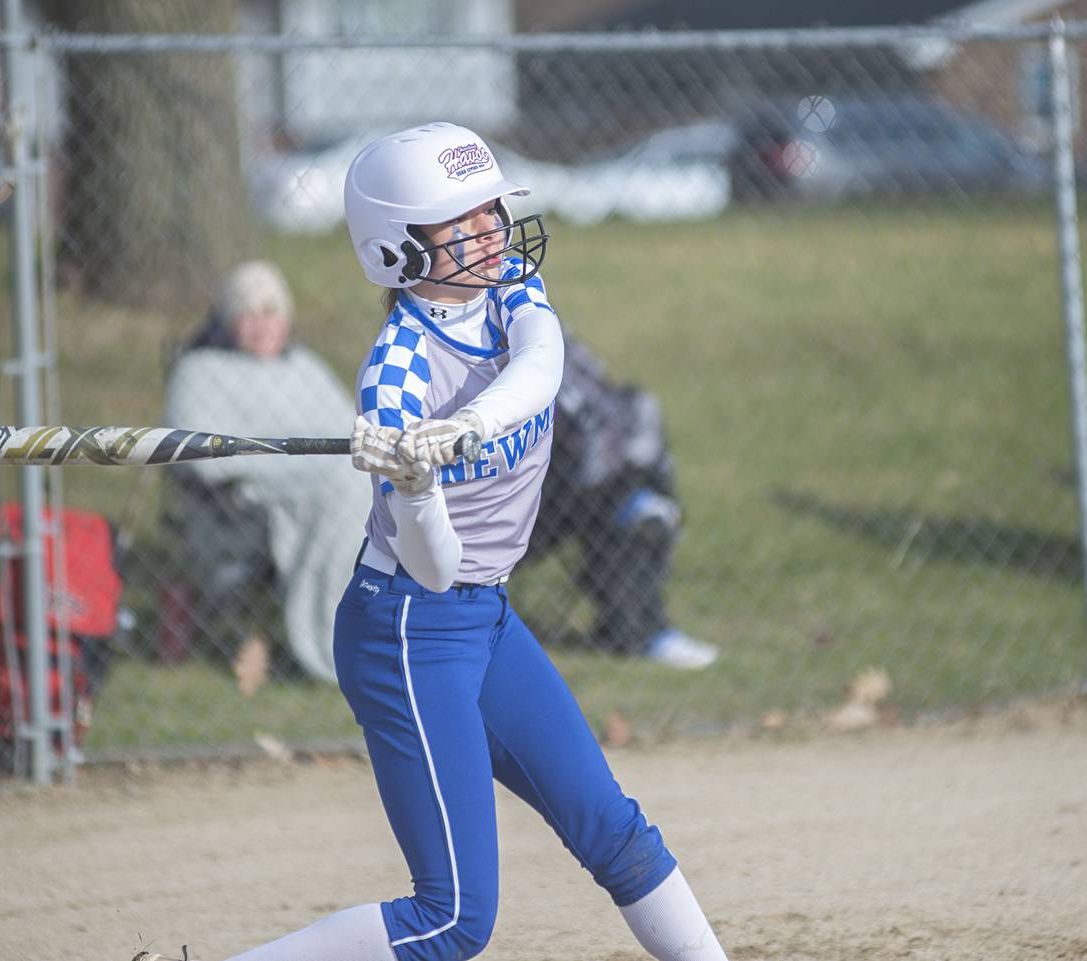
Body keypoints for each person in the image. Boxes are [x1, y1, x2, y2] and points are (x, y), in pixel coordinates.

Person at [134, 123, 729, 961]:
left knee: (613, 827)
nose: (493, 230)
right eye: (466, 220)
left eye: (492, 209)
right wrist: (415, 485)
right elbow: (434, 566)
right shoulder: (397, 377)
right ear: (398, 250)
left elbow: (543, 361)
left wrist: (471, 424)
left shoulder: (509, 283)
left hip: (483, 616)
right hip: (409, 627)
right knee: (450, 920)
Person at [162, 260, 372, 683]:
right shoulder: (200, 371)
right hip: (251, 497)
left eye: (271, 313)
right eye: (249, 314)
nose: (262, 325)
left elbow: (350, 434)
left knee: (366, 480)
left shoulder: (305, 368)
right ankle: (331, 639)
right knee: (350, 487)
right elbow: (201, 456)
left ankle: (377, 629)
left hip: (330, 477)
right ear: (228, 320)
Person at [524, 325, 718, 668]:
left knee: (636, 419)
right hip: (507, 500)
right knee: (622, 499)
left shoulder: (533, 318)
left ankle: (638, 628)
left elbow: (597, 402)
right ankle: (643, 630)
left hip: (566, 481)